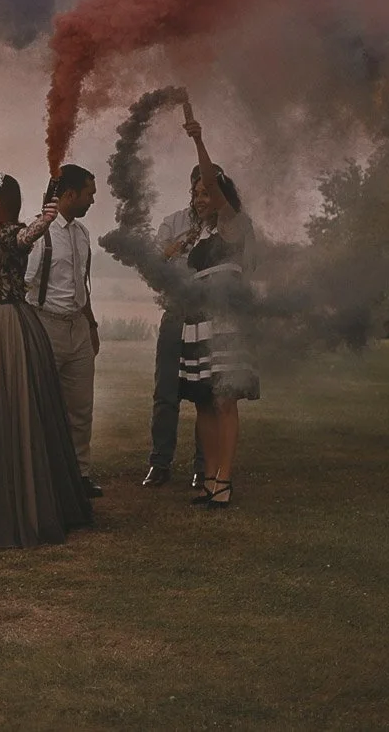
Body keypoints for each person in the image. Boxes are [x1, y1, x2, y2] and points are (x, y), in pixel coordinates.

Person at [0, 171, 93, 549]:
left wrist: (43, 221)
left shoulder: (11, 234)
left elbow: (27, 237)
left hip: (6, 329)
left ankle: (17, 510)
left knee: (10, 416)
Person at [162, 118, 259, 508]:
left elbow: (214, 184)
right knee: (203, 399)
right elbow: (164, 259)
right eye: (196, 193)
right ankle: (208, 478)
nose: (201, 198)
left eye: (206, 192)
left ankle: (224, 479)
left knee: (224, 399)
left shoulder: (234, 224)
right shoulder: (197, 234)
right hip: (197, 318)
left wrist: (199, 140)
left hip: (225, 318)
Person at [25, 164, 103, 498]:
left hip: (78, 328)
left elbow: (80, 285)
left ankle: (79, 474)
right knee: (41, 406)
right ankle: (40, 477)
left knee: (81, 406)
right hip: (46, 325)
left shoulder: (82, 233)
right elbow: (23, 285)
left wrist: (92, 324)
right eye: (89, 194)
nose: (92, 201)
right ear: (69, 194)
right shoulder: (39, 232)